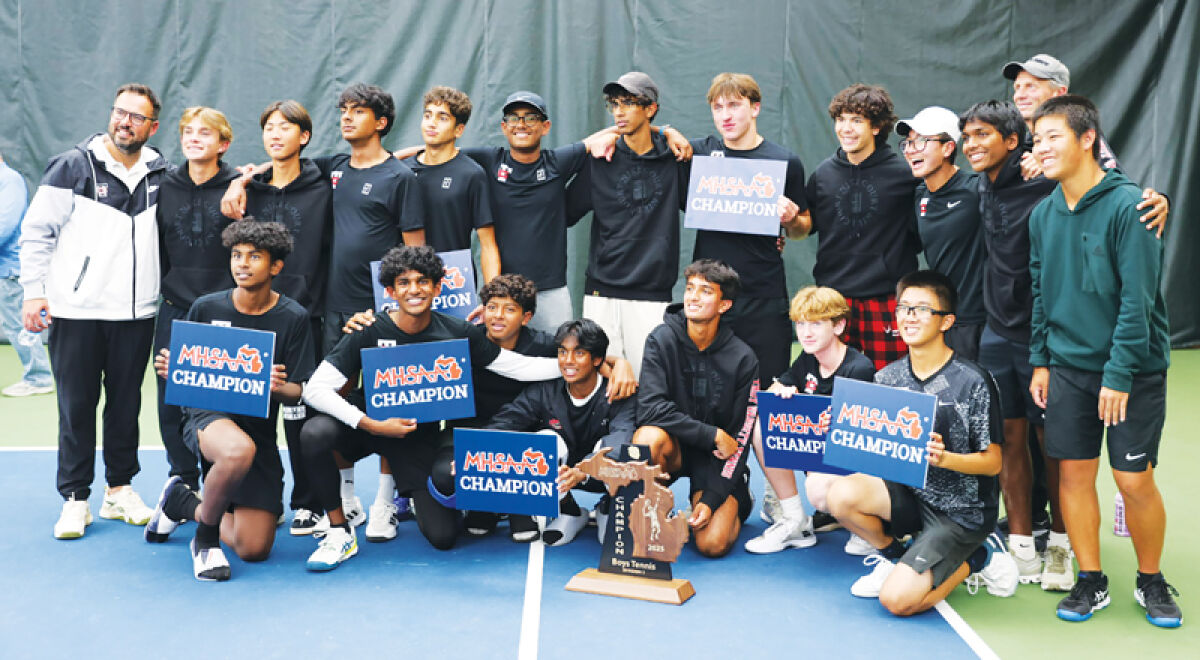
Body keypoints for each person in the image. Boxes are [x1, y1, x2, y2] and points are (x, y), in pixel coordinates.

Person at [298, 246, 560, 570]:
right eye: (404, 282)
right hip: (370, 424)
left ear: (437, 288)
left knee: (443, 537)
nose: (414, 289)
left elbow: (518, 366)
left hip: (412, 436)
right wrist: (370, 423)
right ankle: (339, 530)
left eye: (423, 281)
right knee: (314, 432)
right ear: (391, 291)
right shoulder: (367, 329)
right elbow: (315, 389)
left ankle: (408, 498)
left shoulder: (457, 332)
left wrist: (590, 365)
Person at [1027, 95, 1180, 627]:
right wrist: (1042, 361)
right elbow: (1041, 291)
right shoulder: (1043, 213)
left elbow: (1139, 303)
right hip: (1067, 368)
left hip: (1132, 371)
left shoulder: (1130, 206)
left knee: (1134, 479)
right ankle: (1090, 581)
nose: (1040, 147)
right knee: (1073, 475)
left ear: (1087, 138)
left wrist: (1117, 375)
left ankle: (1151, 579)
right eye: (1036, 138)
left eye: (1051, 136)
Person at [21, 83, 168, 539]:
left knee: (126, 408)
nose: (124, 121)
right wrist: (33, 292)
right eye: (119, 112)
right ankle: (75, 499)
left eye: (135, 116)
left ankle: (119, 490)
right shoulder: (72, 166)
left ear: (152, 127)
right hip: (76, 312)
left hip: (137, 314)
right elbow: (37, 231)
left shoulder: (162, 172)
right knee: (77, 407)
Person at [826, 270, 1016, 614]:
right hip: (910, 496)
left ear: (947, 322)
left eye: (922, 309)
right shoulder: (887, 377)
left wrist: (946, 459)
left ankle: (979, 556)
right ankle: (895, 555)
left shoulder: (973, 381)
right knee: (839, 494)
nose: (909, 316)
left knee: (896, 601)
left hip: (960, 512)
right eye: (904, 308)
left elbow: (993, 462)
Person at [145, 220, 315, 581]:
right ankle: (204, 542)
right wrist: (172, 370)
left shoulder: (294, 317)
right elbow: (186, 376)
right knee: (237, 450)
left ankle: (183, 502)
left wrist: (277, 386)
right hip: (208, 415)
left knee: (253, 549)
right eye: (237, 255)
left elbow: (298, 391)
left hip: (259, 430)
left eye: (255, 257)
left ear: (276, 267)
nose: (242, 263)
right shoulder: (206, 308)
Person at [961, 99, 1068, 587]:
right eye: (967, 136)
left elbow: (1108, 179)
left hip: (1046, 341)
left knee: (1057, 447)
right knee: (1009, 441)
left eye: (983, 134)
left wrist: (1160, 196)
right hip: (996, 337)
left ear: (1012, 140)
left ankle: (1063, 545)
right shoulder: (982, 185)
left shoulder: (1048, 181)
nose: (972, 144)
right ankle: (1023, 544)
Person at [221, 99, 335, 536]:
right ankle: (255, 497)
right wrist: (241, 180)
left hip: (308, 316)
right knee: (252, 415)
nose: (275, 134)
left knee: (300, 412)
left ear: (303, 137)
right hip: (255, 318)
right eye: (269, 126)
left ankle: (307, 502)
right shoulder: (251, 189)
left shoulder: (325, 183)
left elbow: (377, 162)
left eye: (286, 127)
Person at [685, 73, 810, 385]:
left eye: (734, 105)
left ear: (755, 108)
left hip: (762, 294)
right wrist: (669, 134)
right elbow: (650, 142)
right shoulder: (697, 154)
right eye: (718, 107)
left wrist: (791, 220)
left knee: (767, 382)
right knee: (706, 386)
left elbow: (804, 228)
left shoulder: (784, 161)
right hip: (712, 293)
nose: (726, 115)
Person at [566, 72, 688, 377]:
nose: (619, 111)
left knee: (650, 382)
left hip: (652, 293)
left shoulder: (675, 160)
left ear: (651, 109)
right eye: (614, 104)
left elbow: (714, 207)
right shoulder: (599, 158)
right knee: (602, 383)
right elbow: (563, 213)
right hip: (601, 292)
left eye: (629, 103)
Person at [633, 259, 758, 558]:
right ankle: (650, 516)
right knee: (648, 438)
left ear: (724, 305)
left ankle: (739, 499)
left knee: (712, 544)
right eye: (690, 288)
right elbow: (649, 409)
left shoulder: (744, 358)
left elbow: (740, 437)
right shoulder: (661, 339)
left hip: (715, 461)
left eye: (705, 291)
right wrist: (711, 433)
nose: (692, 297)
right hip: (673, 448)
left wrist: (713, 499)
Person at [743, 286, 875, 555]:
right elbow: (777, 389)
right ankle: (794, 521)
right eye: (801, 323)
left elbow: (861, 443)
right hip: (820, 458)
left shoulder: (858, 368)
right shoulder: (807, 359)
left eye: (816, 323)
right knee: (765, 424)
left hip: (856, 469)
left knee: (818, 489)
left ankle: (869, 526)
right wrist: (781, 392)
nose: (806, 332)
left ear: (838, 326)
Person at [489, 318, 638, 546]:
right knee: (545, 441)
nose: (568, 361)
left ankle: (609, 507)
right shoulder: (545, 389)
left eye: (579, 353)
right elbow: (509, 419)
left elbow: (621, 440)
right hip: (563, 477)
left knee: (615, 450)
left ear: (597, 359)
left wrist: (583, 469)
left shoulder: (617, 392)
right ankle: (569, 510)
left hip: (598, 475)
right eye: (562, 352)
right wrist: (472, 451)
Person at [802, 84, 920, 371]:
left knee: (891, 384)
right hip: (834, 298)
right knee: (832, 386)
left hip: (887, 300)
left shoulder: (906, 174)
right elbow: (803, 228)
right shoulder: (822, 175)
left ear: (877, 127)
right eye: (841, 119)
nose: (846, 128)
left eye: (857, 120)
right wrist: (790, 220)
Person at [155, 106, 242, 492]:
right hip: (174, 311)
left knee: (225, 403)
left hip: (225, 315)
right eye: (188, 131)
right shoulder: (164, 184)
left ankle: (222, 481)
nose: (194, 138)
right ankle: (183, 479)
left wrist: (242, 181)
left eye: (204, 133)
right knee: (170, 399)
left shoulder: (241, 184)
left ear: (223, 144)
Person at [897, 106, 987, 360]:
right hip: (940, 320)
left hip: (979, 322)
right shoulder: (919, 196)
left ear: (948, 149)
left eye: (922, 141)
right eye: (908, 143)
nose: (911, 149)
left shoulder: (977, 190)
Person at [399, 86, 498, 281]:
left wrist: (492, 295)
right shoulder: (401, 171)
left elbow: (487, 244)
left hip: (455, 283)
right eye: (428, 116)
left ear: (459, 129)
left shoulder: (472, 174)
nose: (432, 123)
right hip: (408, 283)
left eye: (442, 118)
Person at [0, 152, 53, 397]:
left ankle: (39, 378)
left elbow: (5, 225)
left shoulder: (9, 180)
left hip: (10, 269)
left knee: (16, 325)